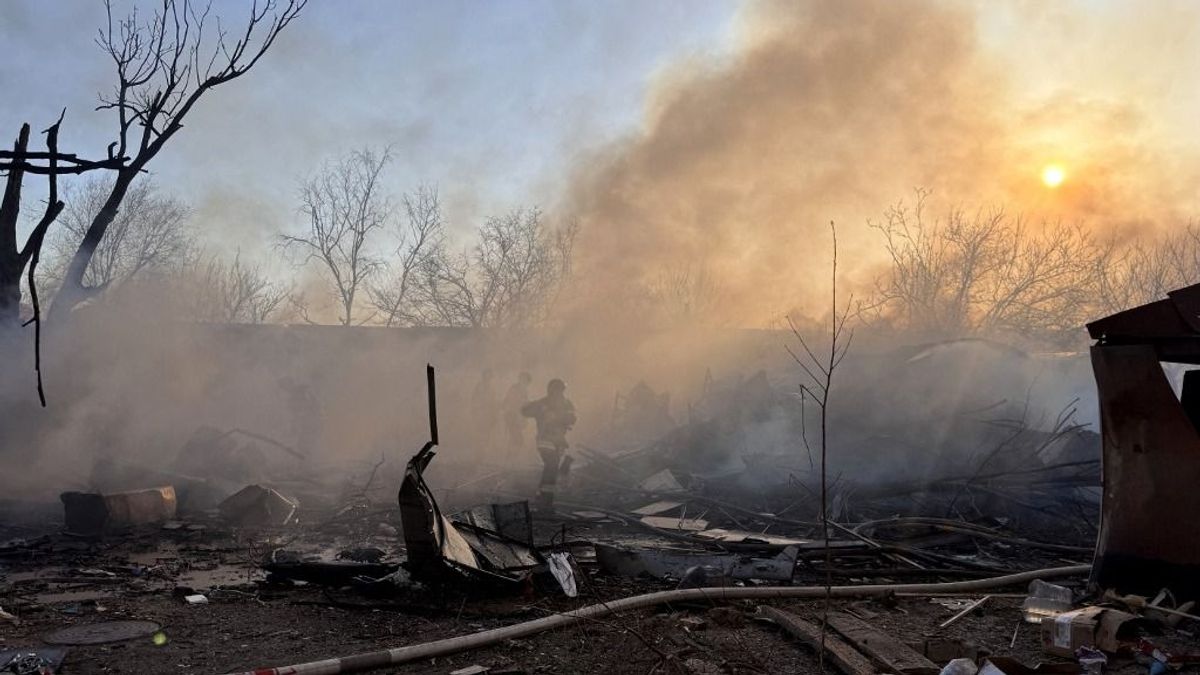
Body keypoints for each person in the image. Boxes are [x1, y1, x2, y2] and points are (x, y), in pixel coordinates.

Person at [521, 378, 576, 509]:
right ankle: (545, 500)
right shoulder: (542, 403)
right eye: (558, 391)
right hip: (544, 440)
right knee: (551, 466)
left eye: (562, 391)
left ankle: (544, 497)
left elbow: (572, 418)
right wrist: (531, 406)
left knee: (552, 469)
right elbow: (525, 411)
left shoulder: (566, 403)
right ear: (551, 390)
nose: (560, 393)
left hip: (559, 442)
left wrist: (558, 417)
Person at [502, 372, 533, 458]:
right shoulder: (514, 388)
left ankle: (510, 459)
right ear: (521, 379)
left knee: (514, 438)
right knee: (518, 439)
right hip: (512, 416)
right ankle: (511, 458)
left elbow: (524, 404)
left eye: (527, 381)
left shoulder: (524, 390)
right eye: (524, 380)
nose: (526, 383)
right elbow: (511, 402)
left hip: (517, 417)